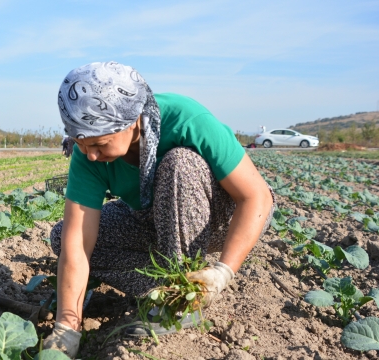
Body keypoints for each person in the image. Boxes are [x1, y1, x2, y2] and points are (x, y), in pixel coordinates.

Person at [42, 62, 275, 358]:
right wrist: (67, 326)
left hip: (223, 217)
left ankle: (180, 300)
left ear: (133, 122)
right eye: (81, 143)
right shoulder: (88, 154)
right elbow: (78, 242)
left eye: (100, 144)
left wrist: (223, 272)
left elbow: (256, 198)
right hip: (153, 216)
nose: (91, 154)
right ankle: (163, 286)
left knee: (180, 164)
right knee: (62, 238)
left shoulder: (185, 118)